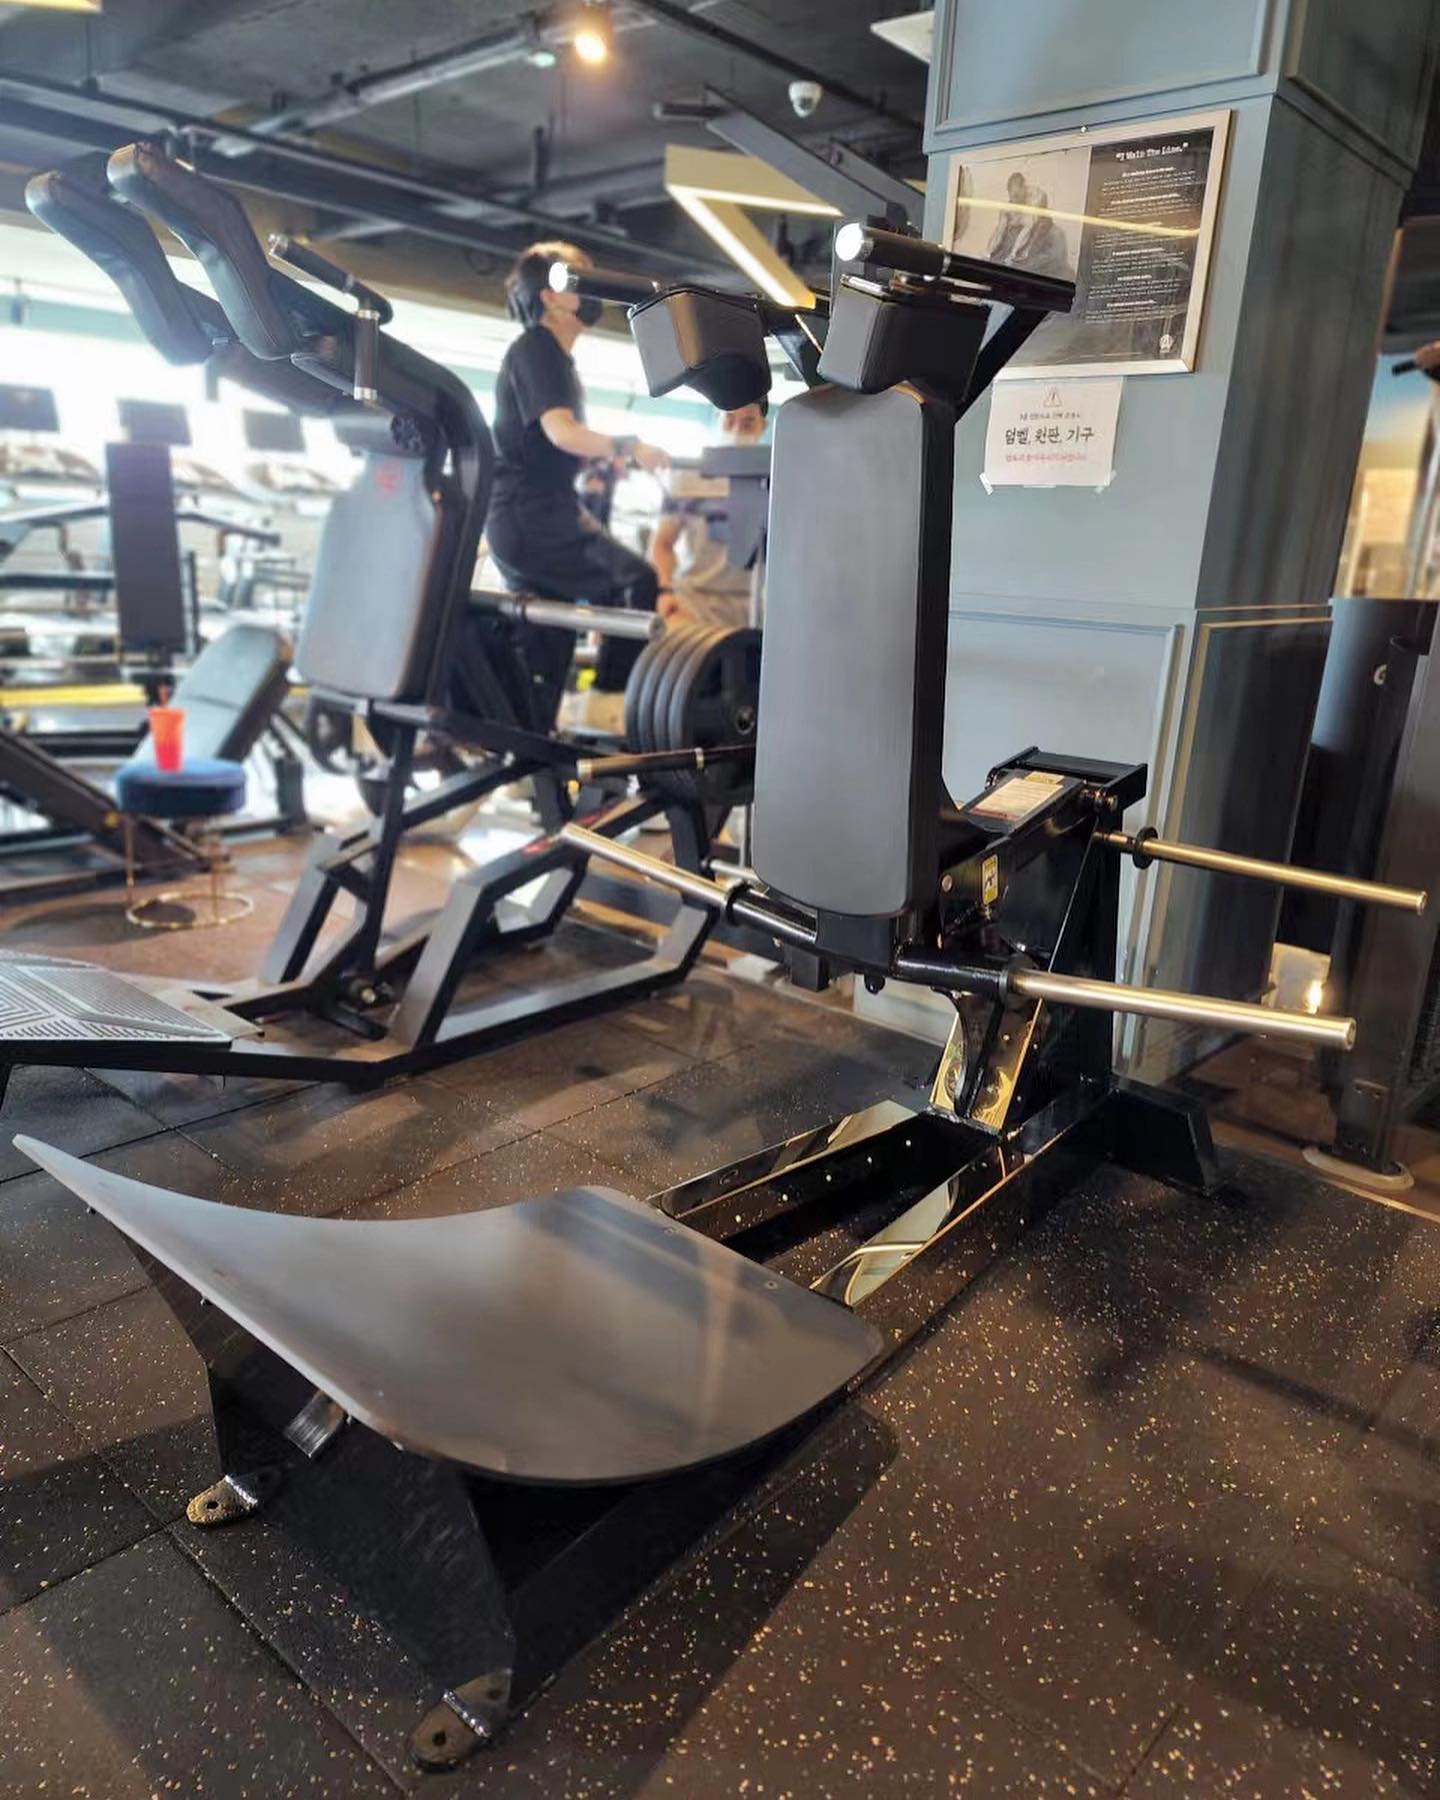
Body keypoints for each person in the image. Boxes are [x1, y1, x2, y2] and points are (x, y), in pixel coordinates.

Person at [481, 240, 672, 728]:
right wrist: (628, 446)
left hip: (526, 516)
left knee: (546, 654)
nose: (591, 291)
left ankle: (527, 744)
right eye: (578, 281)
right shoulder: (538, 347)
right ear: (550, 297)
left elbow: (548, 447)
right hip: (532, 516)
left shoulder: (551, 358)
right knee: (635, 582)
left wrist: (600, 463)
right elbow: (561, 432)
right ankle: (608, 704)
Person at [650, 399, 768, 631]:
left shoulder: (774, 482)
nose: (736, 431)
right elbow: (662, 543)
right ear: (718, 420)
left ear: (762, 427)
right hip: (692, 601)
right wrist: (665, 591)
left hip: (749, 606)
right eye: (729, 421)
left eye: (747, 424)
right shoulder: (688, 476)